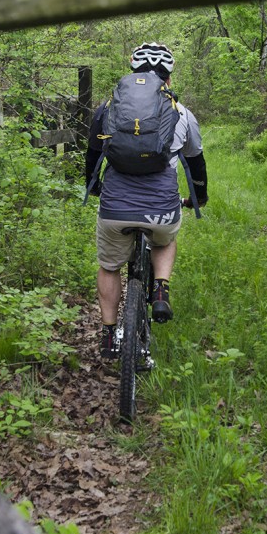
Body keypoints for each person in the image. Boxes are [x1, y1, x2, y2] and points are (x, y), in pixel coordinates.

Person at [84, 42, 208, 359]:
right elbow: (196, 163)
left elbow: (92, 156)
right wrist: (199, 197)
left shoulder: (108, 108)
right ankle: (160, 288)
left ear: (132, 73)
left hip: (115, 209)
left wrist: (93, 187)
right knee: (165, 240)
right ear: (168, 78)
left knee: (110, 266)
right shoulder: (181, 113)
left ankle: (109, 336)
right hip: (162, 209)